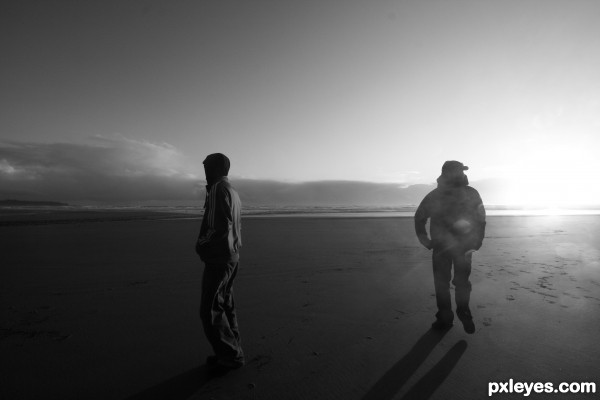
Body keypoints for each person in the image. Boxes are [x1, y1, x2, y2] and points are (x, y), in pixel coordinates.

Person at [414, 161, 486, 334]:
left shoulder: (438, 194)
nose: (461, 174)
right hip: (455, 245)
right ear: (451, 173)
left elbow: (419, 218)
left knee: (445, 283)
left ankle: (450, 317)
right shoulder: (468, 193)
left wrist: (425, 240)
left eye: (461, 171)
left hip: (449, 246)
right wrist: (477, 240)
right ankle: (458, 313)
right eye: (459, 171)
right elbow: (481, 219)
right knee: (456, 282)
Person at [195, 153, 244, 369]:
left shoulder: (217, 189)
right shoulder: (233, 192)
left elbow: (217, 227)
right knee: (225, 306)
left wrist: (201, 244)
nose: (204, 171)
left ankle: (230, 356)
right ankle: (233, 351)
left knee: (210, 310)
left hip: (219, 258)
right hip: (232, 256)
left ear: (215, 169)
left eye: (206, 167)